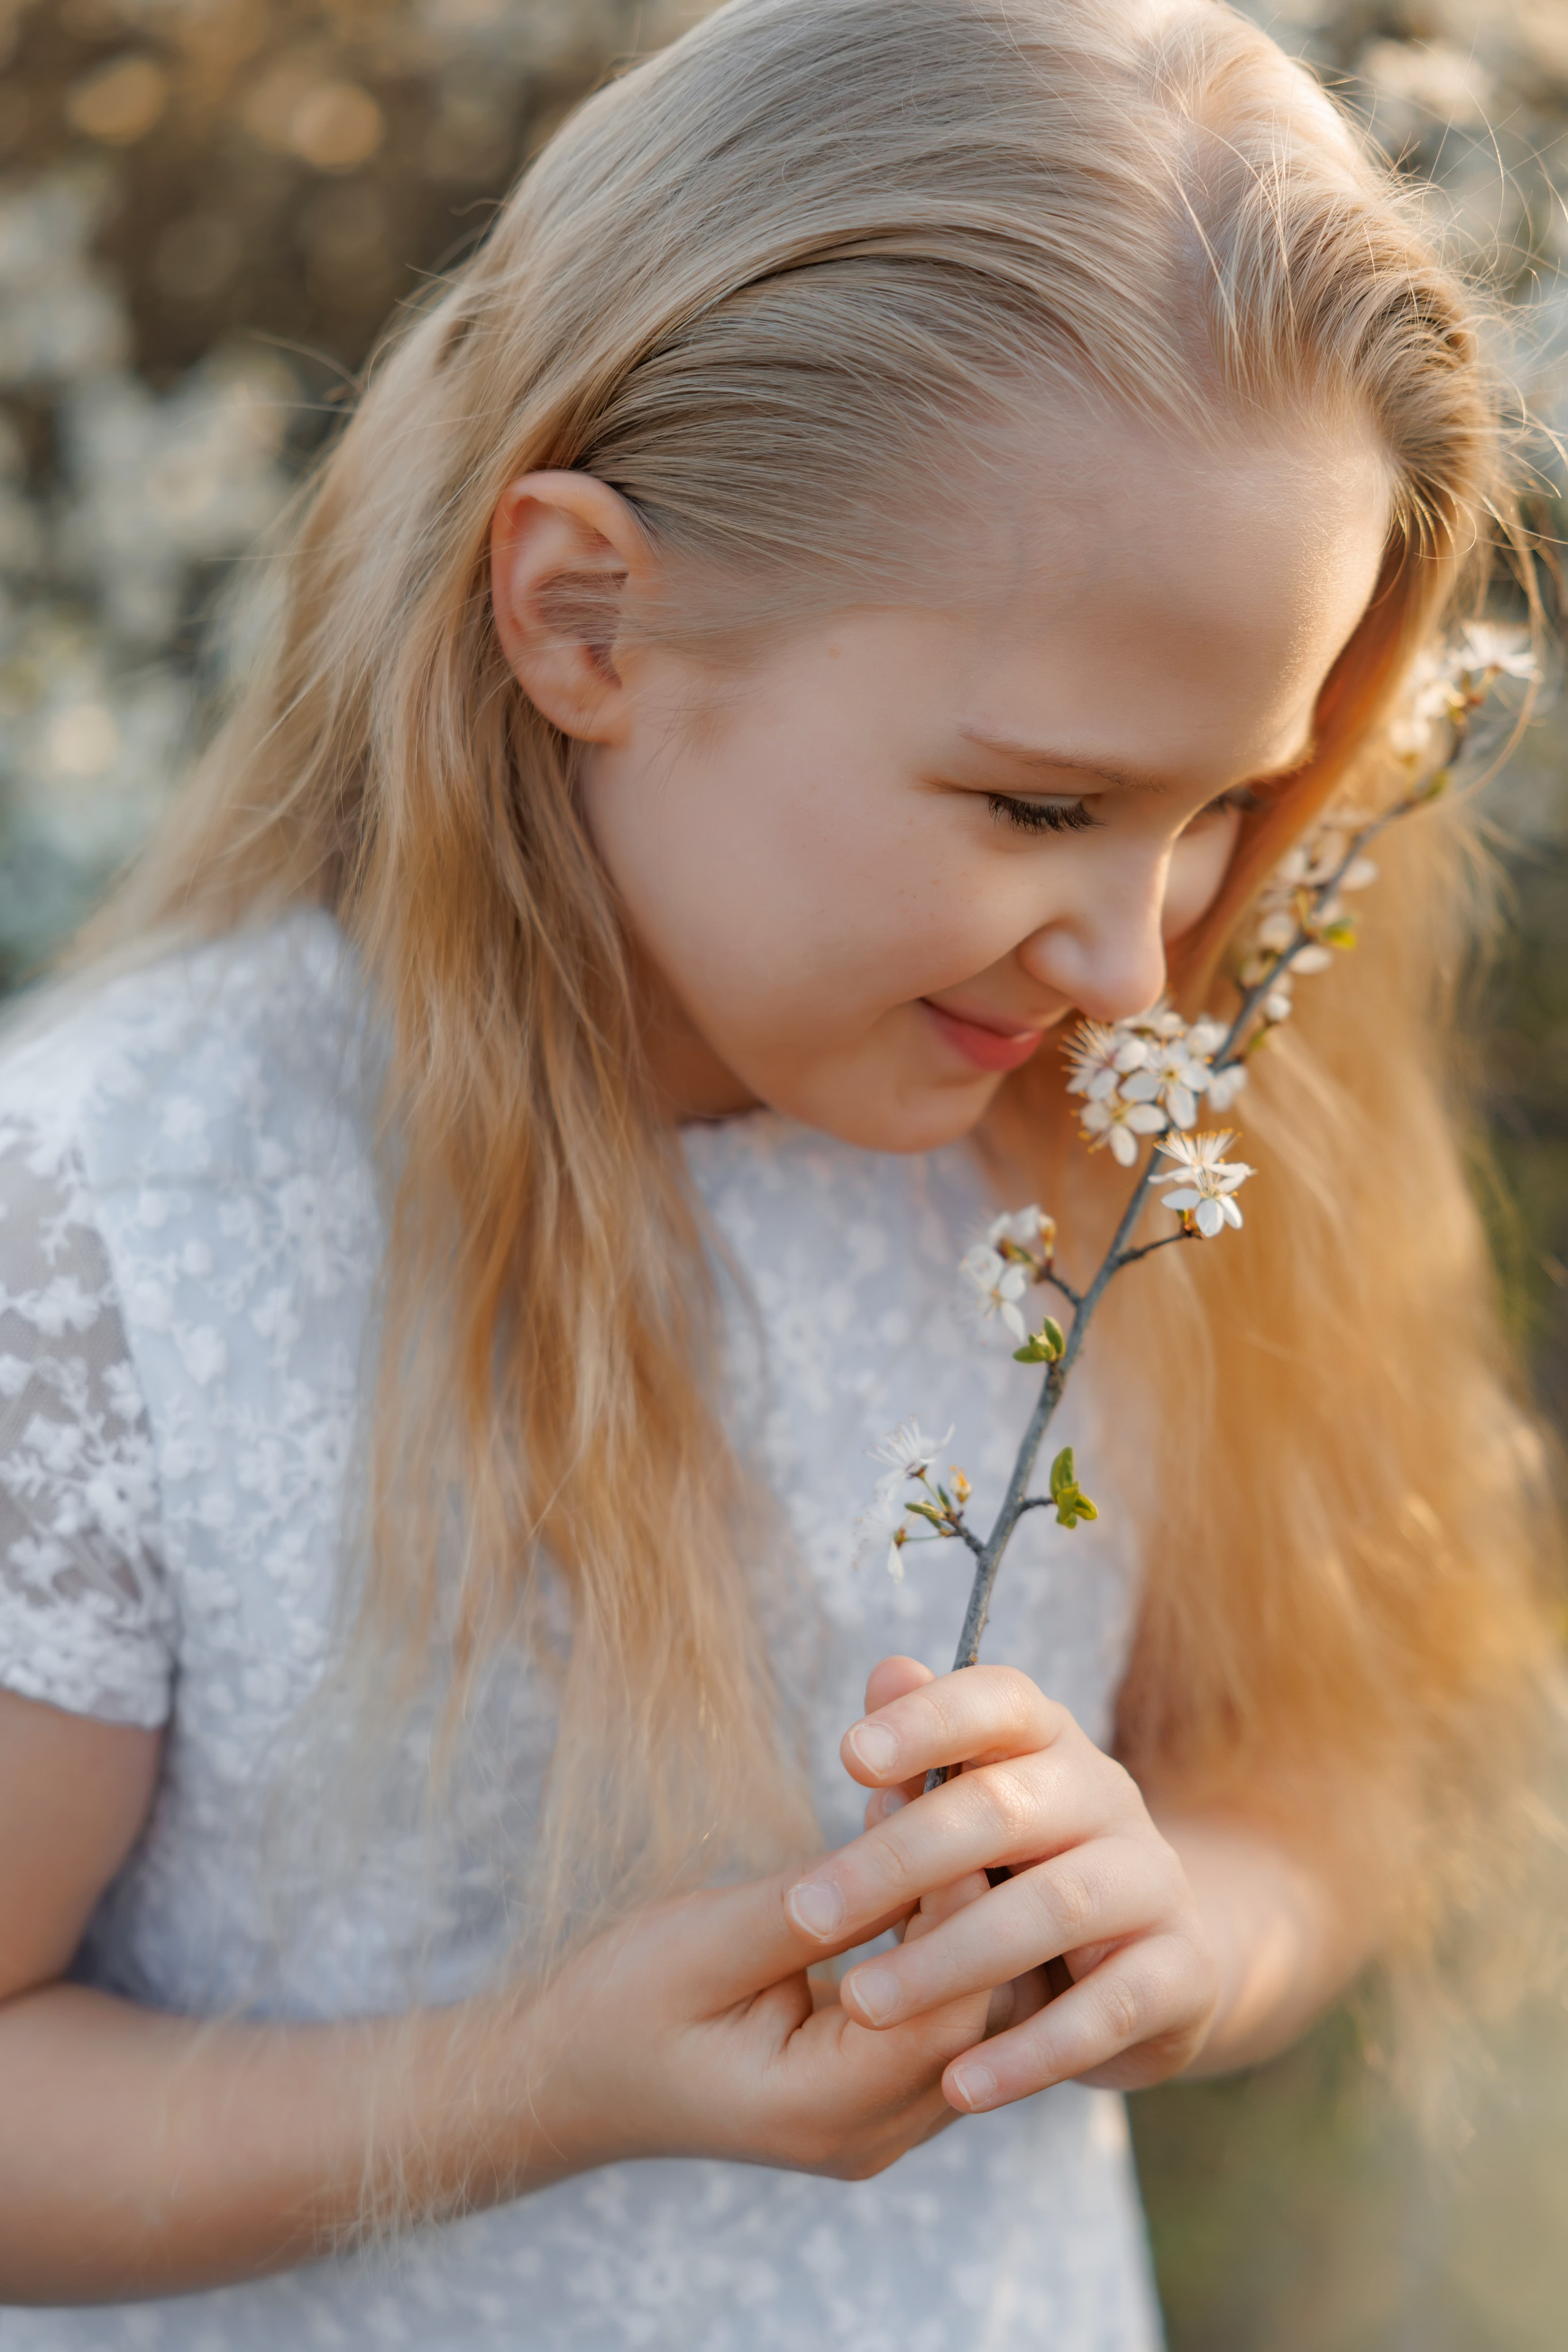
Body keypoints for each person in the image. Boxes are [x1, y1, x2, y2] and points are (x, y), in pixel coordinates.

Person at [0, 0, 1558, 2343]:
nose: (1140, 956)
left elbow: (1314, 1757)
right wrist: (535, 2087)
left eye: (1230, 801)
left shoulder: (1122, 1138)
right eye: (1041, 802)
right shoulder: (119, 1229)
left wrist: (1186, 1932)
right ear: (586, 613)